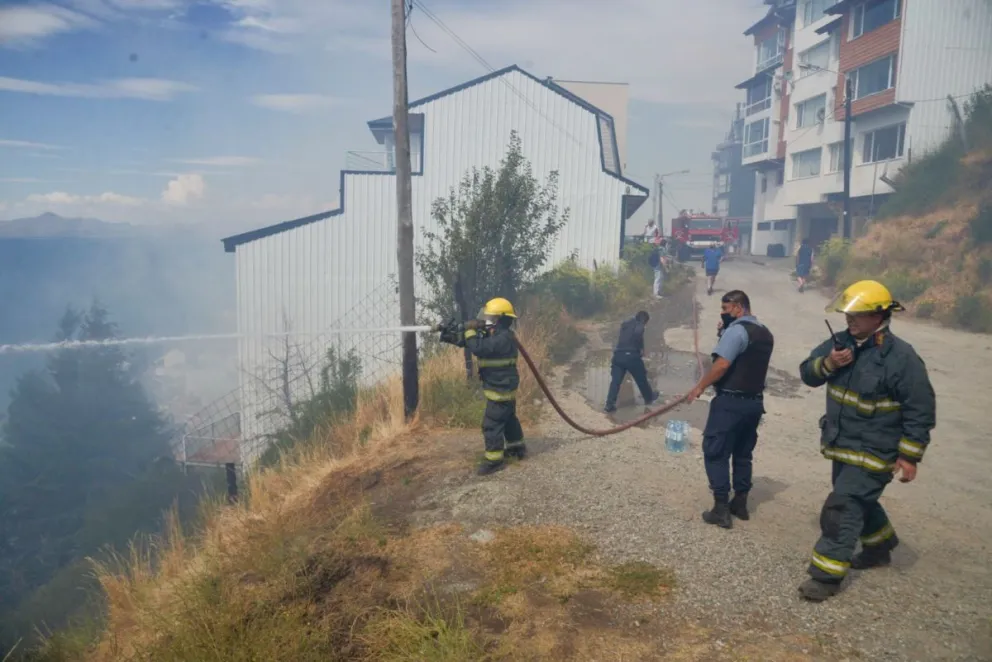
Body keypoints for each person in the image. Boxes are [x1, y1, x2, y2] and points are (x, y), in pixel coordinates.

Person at [797, 280, 936, 601]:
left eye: (857, 314)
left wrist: (910, 456)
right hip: (842, 446)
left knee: (842, 507)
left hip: (875, 452)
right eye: (848, 313)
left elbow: (920, 409)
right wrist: (829, 364)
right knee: (860, 501)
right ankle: (879, 547)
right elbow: (807, 373)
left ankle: (825, 577)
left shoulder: (900, 357)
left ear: (878, 315)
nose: (849, 319)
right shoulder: (840, 342)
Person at [686, 290, 774, 529]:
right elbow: (746, 360)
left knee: (716, 451)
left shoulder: (736, 331)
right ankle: (740, 503)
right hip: (754, 404)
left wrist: (699, 387)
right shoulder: (765, 333)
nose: (723, 313)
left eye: (726, 309)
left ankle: (721, 508)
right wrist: (723, 331)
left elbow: (722, 364)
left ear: (738, 307)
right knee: (743, 453)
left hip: (730, 402)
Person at [437, 297, 526, 476]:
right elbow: (468, 342)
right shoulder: (495, 335)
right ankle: (517, 449)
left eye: (490, 317)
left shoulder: (503, 338)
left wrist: (470, 331)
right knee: (508, 419)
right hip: (502, 388)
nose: (485, 320)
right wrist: (448, 333)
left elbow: (479, 348)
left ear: (499, 319)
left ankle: (494, 461)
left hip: (500, 391)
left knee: (491, 424)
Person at [605, 311, 658, 413]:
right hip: (632, 357)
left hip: (618, 356)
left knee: (615, 381)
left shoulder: (626, 324)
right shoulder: (640, 325)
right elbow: (638, 333)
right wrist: (640, 349)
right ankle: (649, 398)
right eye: (646, 323)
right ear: (644, 320)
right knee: (641, 378)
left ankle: (609, 405)